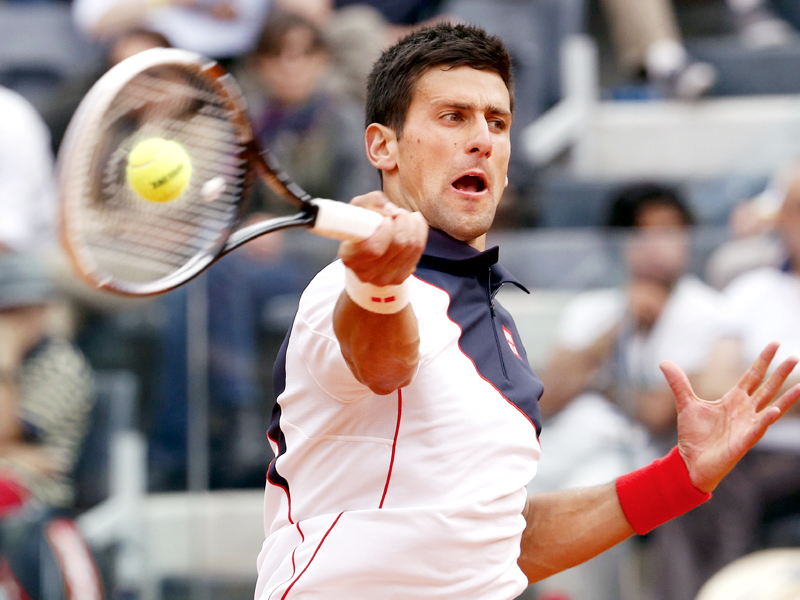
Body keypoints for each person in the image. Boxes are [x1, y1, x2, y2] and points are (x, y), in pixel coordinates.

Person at [256, 22, 800, 599]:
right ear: (381, 146)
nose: (482, 140)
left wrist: (680, 478)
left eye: (498, 122)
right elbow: (383, 362)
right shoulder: (349, 286)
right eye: (452, 117)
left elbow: (501, 546)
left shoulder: (496, 321)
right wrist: (378, 284)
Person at [529, 184, 722, 599]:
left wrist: (598, 382)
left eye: (670, 232)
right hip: (563, 444)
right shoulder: (595, 307)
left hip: (636, 451)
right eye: (642, 234)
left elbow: (657, 412)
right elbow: (547, 396)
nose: (657, 247)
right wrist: (619, 324)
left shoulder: (706, 311)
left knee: (587, 502)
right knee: (508, 488)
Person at [0, 253, 95, 599]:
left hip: (37, 490)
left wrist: (6, 361)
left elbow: (4, 430)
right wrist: (14, 452)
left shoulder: (61, 365)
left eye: (22, 311)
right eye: (7, 312)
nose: (14, 322)